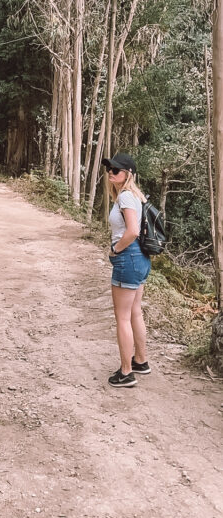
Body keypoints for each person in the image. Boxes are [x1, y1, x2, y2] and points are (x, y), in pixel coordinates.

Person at [102, 152, 151, 388]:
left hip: (128, 258)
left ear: (128, 174)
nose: (111, 173)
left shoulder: (125, 198)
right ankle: (140, 361)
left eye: (116, 170)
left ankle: (126, 372)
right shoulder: (134, 197)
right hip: (140, 259)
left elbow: (131, 231)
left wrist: (115, 250)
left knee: (122, 317)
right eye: (110, 169)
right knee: (134, 313)